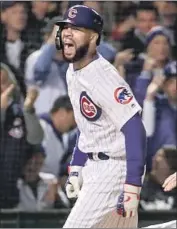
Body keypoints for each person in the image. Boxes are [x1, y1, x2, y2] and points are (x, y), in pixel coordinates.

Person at [55, 5, 147, 228]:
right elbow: (87, 125)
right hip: (96, 165)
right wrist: (77, 166)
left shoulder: (104, 77)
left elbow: (135, 129)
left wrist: (132, 185)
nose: (67, 32)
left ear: (94, 37)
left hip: (116, 168)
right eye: (66, 27)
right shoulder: (72, 70)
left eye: (76, 28)